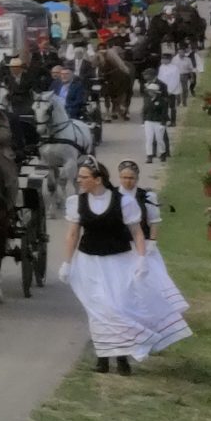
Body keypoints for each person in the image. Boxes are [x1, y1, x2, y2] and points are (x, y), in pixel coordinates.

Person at [61, 159, 147, 375]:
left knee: (117, 307)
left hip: (118, 260)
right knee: (98, 309)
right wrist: (67, 262)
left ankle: (122, 357)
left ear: (98, 180)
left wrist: (142, 259)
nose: (79, 181)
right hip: (90, 261)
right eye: (79, 177)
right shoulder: (77, 202)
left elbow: (137, 232)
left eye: (84, 177)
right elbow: (73, 234)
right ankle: (103, 357)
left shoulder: (123, 202)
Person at [114, 159, 194, 360]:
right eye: (124, 177)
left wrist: (151, 242)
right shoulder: (113, 196)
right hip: (121, 247)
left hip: (142, 248)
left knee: (150, 285)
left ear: (137, 178)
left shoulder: (145, 196)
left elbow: (153, 221)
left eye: (131, 178)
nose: (127, 181)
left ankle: (155, 322)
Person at [140, 76, 175, 164]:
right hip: (149, 121)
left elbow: (164, 112)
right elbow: (144, 111)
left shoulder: (162, 101)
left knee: (160, 139)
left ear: (155, 92)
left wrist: (163, 123)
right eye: (149, 91)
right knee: (149, 139)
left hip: (158, 122)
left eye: (151, 92)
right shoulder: (147, 100)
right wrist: (143, 121)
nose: (149, 93)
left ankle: (163, 153)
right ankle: (149, 155)